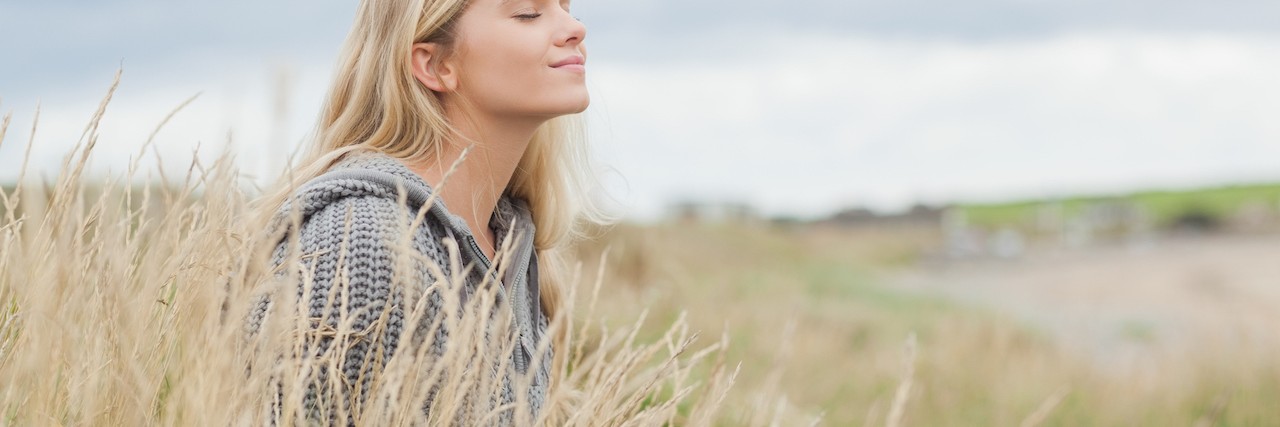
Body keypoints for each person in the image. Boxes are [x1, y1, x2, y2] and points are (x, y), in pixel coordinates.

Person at [239, 0, 616, 424]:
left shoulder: (508, 243)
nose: (574, 29)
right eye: (529, 13)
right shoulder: (363, 241)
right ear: (434, 65)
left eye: (568, 8)